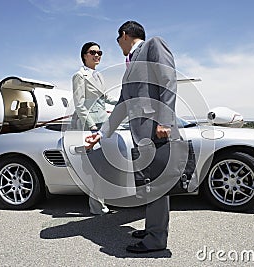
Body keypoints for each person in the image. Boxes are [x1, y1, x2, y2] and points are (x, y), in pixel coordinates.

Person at [85, 21, 179, 253]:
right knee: (149, 184)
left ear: (124, 35)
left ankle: (156, 239)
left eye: (118, 41)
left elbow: (169, 80)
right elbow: (122, 105)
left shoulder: (153, 45)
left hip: (156, 130)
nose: (118, 45)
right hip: (142, 135)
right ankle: (152, 229)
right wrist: (101, 134)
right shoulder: (130, 66)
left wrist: (165, 121)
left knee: (157, 185)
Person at [72, 41, 118, 215]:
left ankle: (104, 201)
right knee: (95, 167)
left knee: (105, 164)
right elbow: (79, 104)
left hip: (103, 122)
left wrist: (121, 100)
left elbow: (104, 97)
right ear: (85, 55)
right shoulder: (79, 76)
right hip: (89, 125)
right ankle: (97, 207)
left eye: (100, 52)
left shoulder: (99, 75)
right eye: (93, 52)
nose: (97, 55)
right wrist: (91, 125)